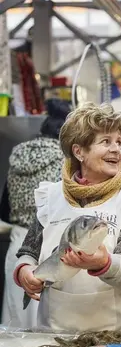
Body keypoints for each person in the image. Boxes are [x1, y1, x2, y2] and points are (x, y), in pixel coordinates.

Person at [13, 102, 121, 333]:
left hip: (119, 332)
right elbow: (29, 251)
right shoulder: (50, 196)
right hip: (58, 331)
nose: (116, 150)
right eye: (105, 141)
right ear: (79, 151)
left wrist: (104, 263)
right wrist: (25, 272)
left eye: (119, 142)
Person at [1, 98, 70, 327]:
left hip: (18, 244)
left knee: (16, 320)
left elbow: (4, 208)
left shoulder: (18, 155)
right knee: (44, 323)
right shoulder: (65, 160)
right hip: (46, 243)